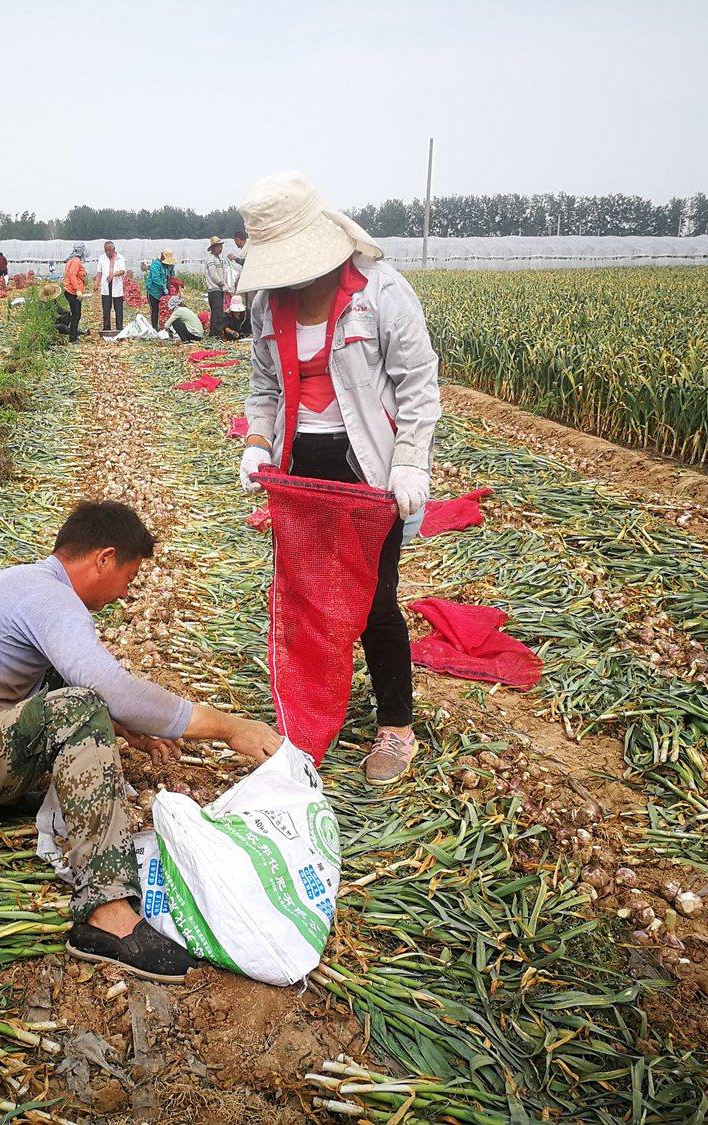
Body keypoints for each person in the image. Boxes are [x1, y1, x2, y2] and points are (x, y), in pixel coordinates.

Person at [0, 500, 282, 982]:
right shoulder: (47, 598)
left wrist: (117, 725)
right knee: (81, 707)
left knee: (83, 703)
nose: (125, 594)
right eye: (128, 577)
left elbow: (46, 687)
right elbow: (108, 688)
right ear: (104, 557)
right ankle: (107, 915)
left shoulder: (28, 586)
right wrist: (228, 726)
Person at [235, 172, 441, 786]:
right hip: (300, 471)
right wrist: (255, 442)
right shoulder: (270, 304)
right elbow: (265, 386)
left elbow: (417, 384)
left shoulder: (379, 292)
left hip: (367, 466)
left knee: (375, 598)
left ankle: (396, 726)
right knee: (303, 596)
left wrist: (410, 459)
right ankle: (312, 709)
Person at [95, 241, 127, 333]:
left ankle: (119, 328)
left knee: (118, 308)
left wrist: (113, 274)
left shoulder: (120, 258)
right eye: (106, 251)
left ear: (113, 249)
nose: (107, 253)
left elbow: (122, 271)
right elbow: (99, 272)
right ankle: (106, 327)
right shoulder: (102, 257)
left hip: (116, 285)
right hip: (106, 285)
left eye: (109, 251)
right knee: (106, 308)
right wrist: (96, 283)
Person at [203, 236, 230, 340]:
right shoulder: (211, 259)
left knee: (218, 312)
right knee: (217, 313)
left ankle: (215, 333)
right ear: (213, 247)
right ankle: (216, 334)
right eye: (218, 246)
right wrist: (222, 284)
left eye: (221, 246)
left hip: (218, 289)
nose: (220, 248)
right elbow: (214, 274)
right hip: (215, 289)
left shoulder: (217, 258)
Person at [62, 245, 88, 342]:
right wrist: (77, 290)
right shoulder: (76, 261)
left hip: (72, 291)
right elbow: (72, 275)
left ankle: (74, 335)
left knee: (76, 314)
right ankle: (73, 338)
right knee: (76, 314)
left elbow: (75, 274)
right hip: (72, 291)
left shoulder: (72, 260)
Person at [145, 249, 176, 331]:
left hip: (165, 292)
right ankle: (154, 328)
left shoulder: (170, 265)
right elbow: (156, 279)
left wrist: (173, 283)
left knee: (166, 310)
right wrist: (164, 287)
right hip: (153, 291)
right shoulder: (155, 265)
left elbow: (172, 275)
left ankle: (166, 328)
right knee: (155, 310)